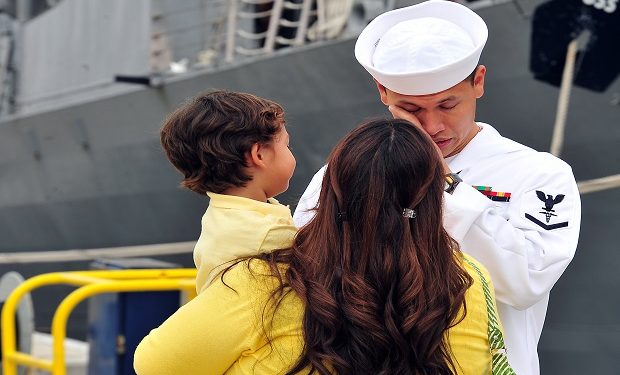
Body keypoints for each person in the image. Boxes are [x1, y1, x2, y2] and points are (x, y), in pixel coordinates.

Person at [293, 2, 581, 374]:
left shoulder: (539, 174)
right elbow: (303, 268)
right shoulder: (343, 172)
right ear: (383, 92)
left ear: (478, 81)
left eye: (447, 105)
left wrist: (440, 180)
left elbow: (525, 282)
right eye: (411, 109)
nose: (431, 126)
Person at [134, 118, 510, 374]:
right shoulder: (469, 278)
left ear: (331, 190)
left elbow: (154, 364)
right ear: (432, 199)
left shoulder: (262, 279)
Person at [159, 90, 297, 293]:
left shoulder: (219, 216)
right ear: (258, 154)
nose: (291, 153)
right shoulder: (270, 235)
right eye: (286, 145)